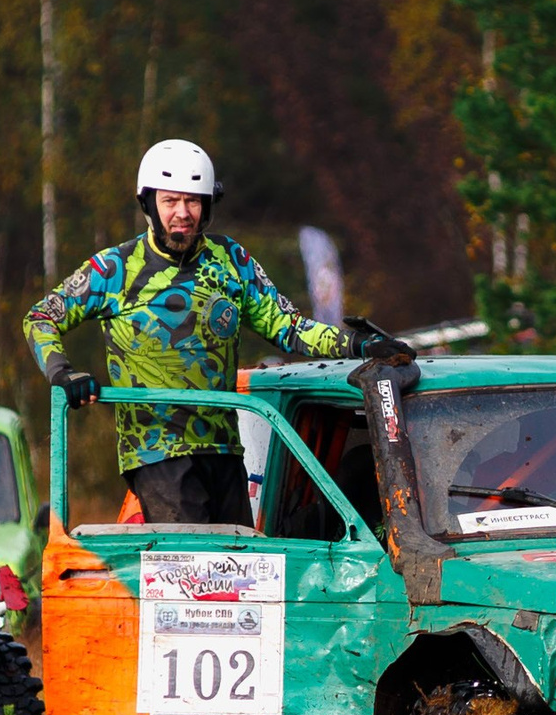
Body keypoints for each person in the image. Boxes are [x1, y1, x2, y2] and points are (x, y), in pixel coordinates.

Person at [25, 139, 405, 525]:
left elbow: (287, 325)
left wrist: (359, 344)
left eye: (193, 202)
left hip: (224, 447)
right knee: (196, 567)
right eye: (170, 201)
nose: (182, 213)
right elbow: (41, 318)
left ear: (207, 206)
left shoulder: (231, 261)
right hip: (158, 449)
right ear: (148, 203)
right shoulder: (115, 268)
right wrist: (62, 372)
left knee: (242, 568)